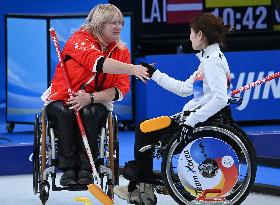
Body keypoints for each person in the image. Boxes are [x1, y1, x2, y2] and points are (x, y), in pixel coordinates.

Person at [114, 13, 233, 203]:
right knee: (144, 127)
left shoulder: (213, 61)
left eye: (192, 33)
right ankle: (141, 185)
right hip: (193, 117)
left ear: (200, 35)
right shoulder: (208, 59)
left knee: (144, 131)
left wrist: (191, 121)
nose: (190, 37)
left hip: (197, 121)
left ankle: (143, 189)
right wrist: (154, 74)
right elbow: (184, 89)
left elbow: (220, 99)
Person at [41, 4, 149, 187]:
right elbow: (97, 63)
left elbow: (120, 90)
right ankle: (68, 169)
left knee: (90, 112)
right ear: (99, 25)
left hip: (95, 100)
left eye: (120, 22)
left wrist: (90, 98)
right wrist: (133, 68)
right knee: (66, 112)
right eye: (112, 23)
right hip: (63, 97)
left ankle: (86, 169)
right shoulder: (79, 39)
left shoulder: (121, 51)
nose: (118, 27)